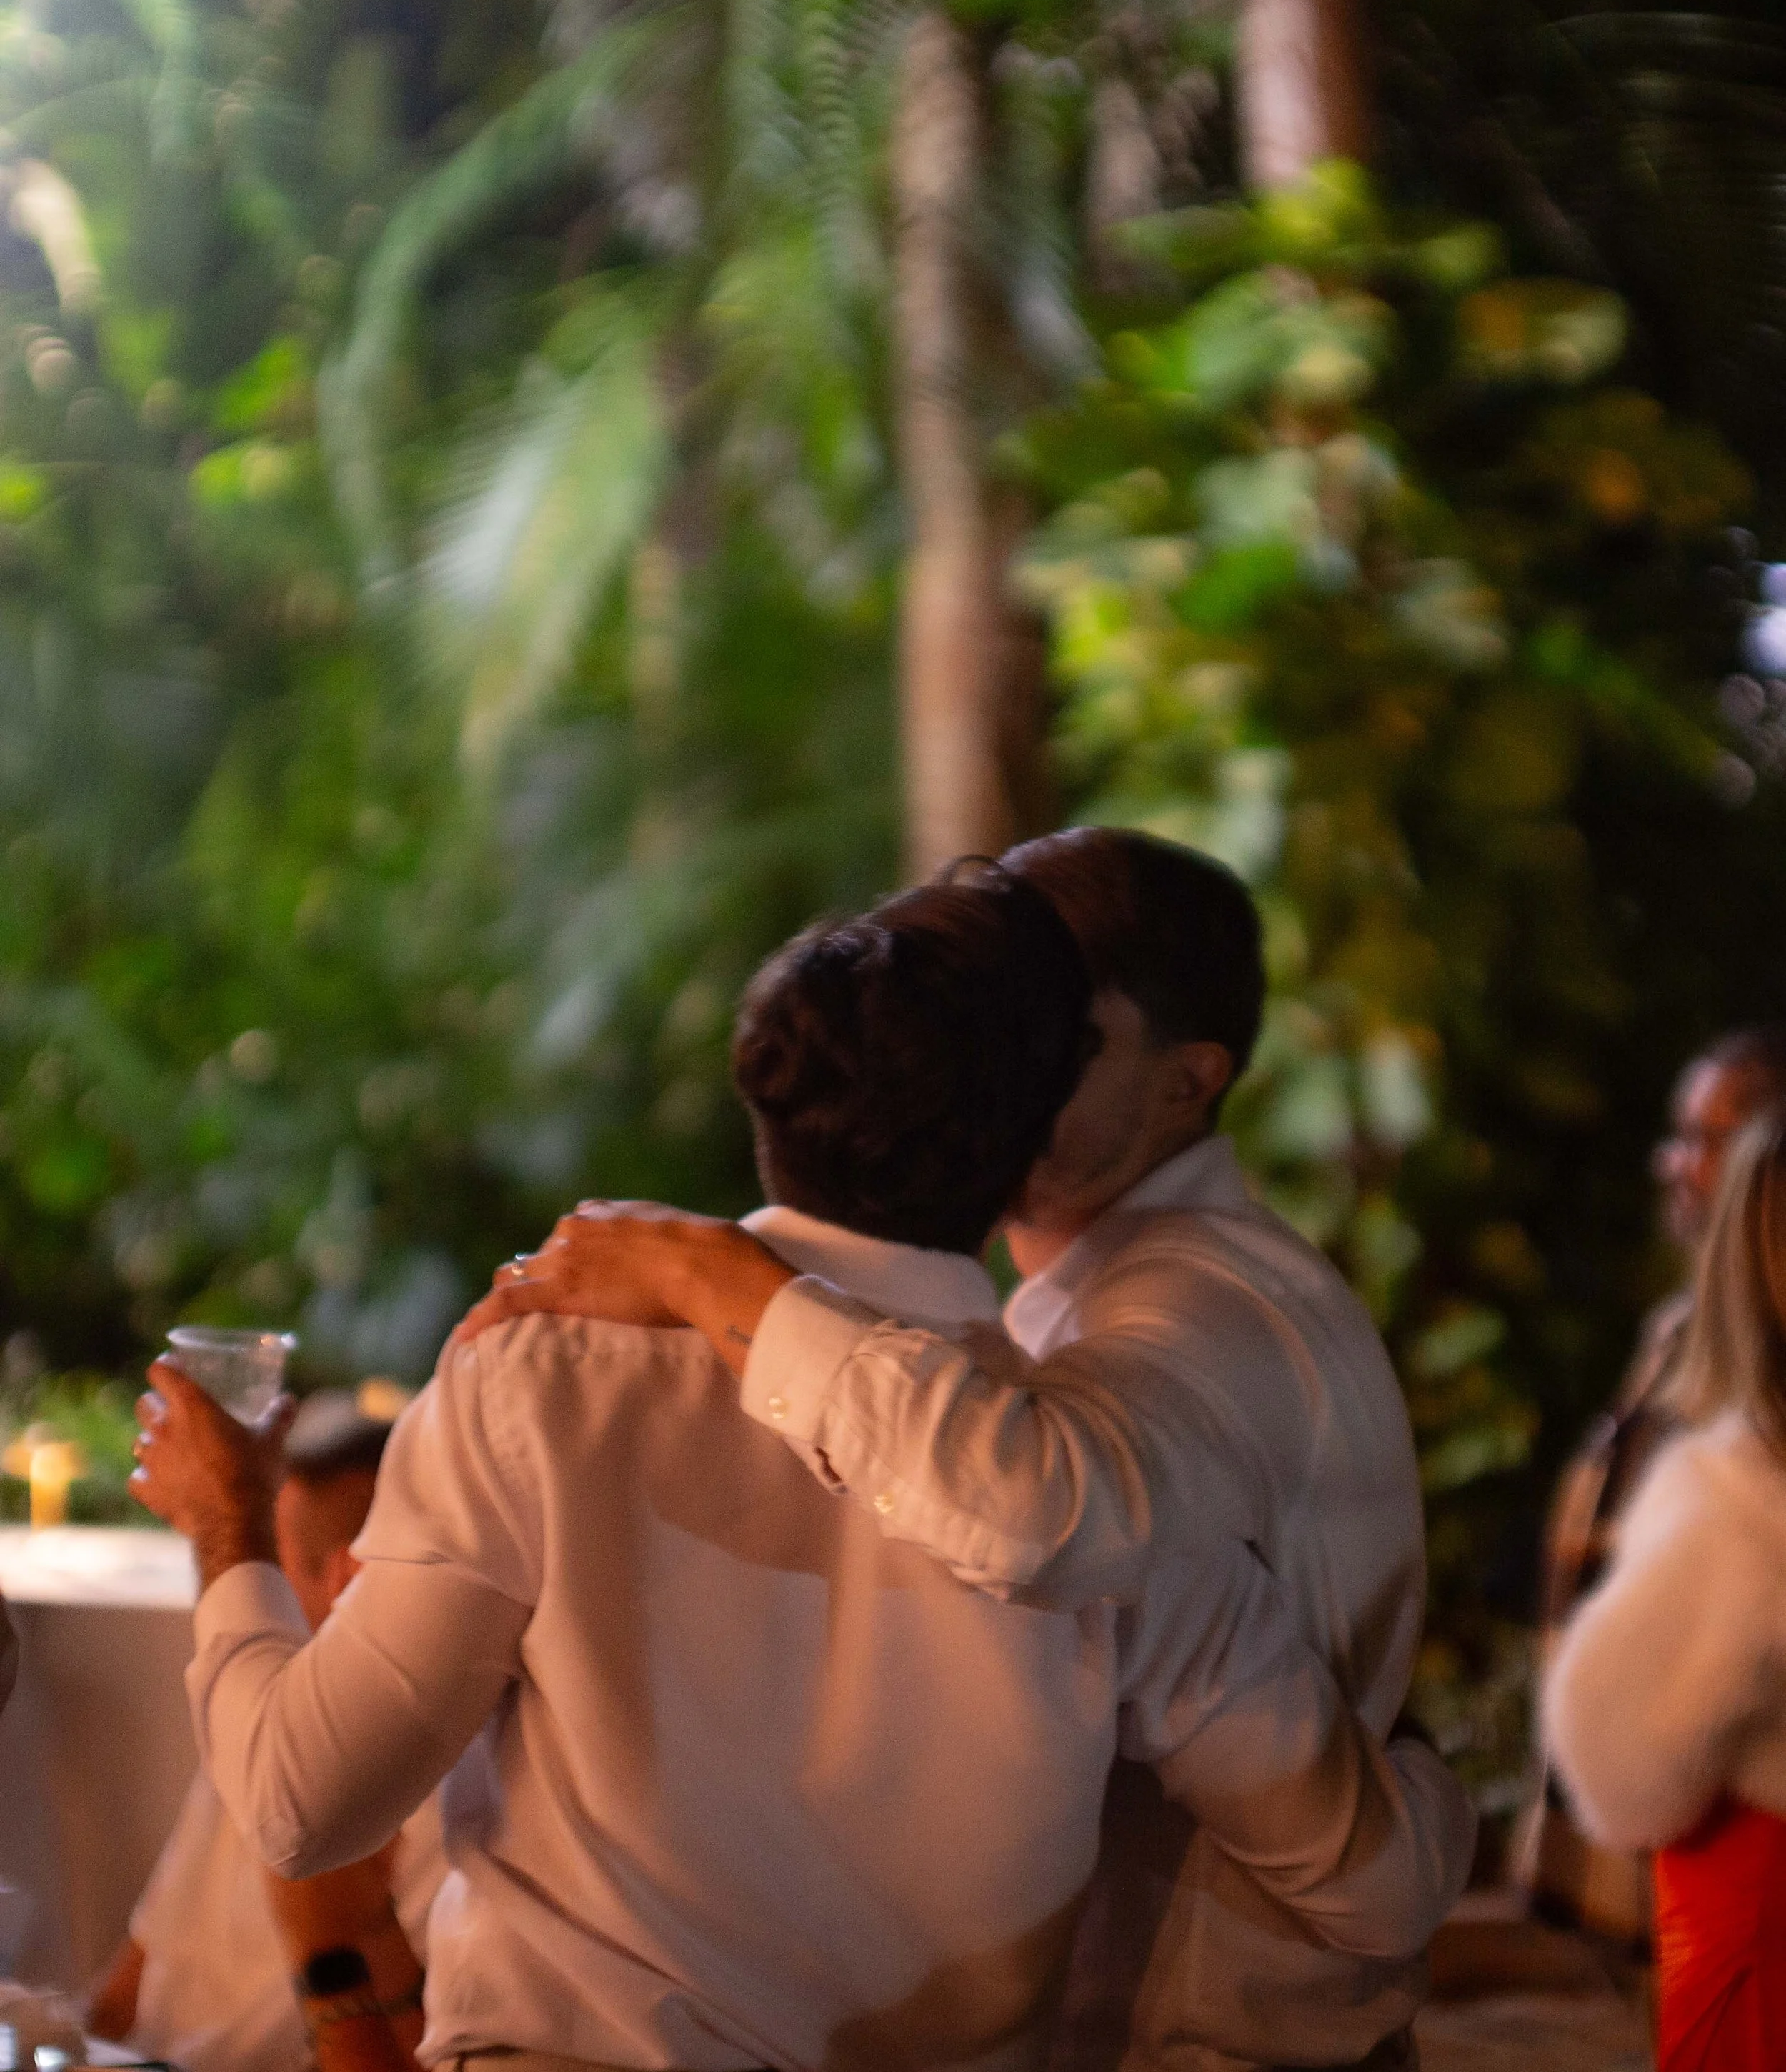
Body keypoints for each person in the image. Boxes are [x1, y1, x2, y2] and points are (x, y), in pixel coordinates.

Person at [134, 871, 1470, 2072]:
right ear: (1036, 1130)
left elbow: (300, 1804)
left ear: (764, 1086)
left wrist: (228, 1522)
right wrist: (1419, 1741)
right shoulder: (1110, 1485)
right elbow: (1378, 1887)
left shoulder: (542, 1378)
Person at [1519, 1023, 1786, 1943]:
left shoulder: (1742, 1436)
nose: (1675, 1162)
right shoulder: (1680, 1332)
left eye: (1708, 1138)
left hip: (1712, 1834)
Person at [87, 1396, 443, 2072]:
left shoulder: (458, 1806)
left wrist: (337, 1941)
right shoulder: (258, 1728)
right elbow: (126, 1987)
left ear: (350, 1578)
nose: (262, 1606)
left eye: (275, 1569)